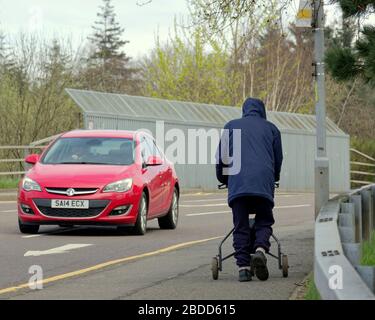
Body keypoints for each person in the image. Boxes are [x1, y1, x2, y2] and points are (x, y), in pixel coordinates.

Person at [216, 98, 283, 282]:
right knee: (264, 221)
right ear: (262, 111)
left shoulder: (230, 126)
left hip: (238, 184)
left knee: (241, 225)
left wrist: (223, 179)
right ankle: (260, 249)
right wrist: (274, 177)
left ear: (244, 110)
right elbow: (278, 159)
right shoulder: (272, 129)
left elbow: (221, 158)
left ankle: (243, 268)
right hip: (263, 183)